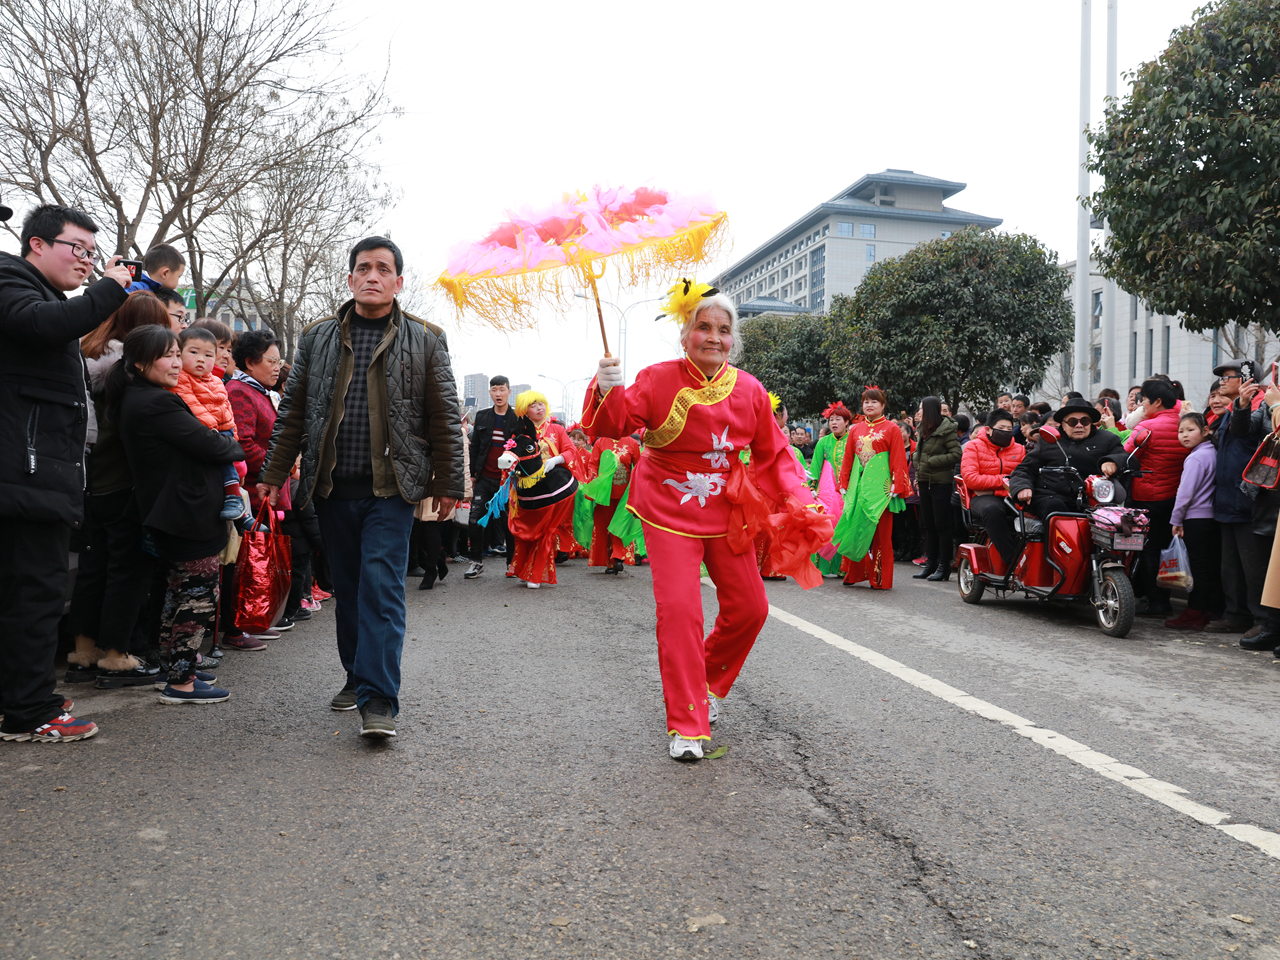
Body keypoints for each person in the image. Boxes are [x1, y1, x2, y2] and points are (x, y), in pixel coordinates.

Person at [580, 279, 828, 761]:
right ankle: (687, 723)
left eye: (724, 330)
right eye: (704, 327)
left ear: (733, 338)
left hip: (728, 509)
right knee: (680, 612)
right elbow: (613, 429)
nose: (714, 337)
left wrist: (801, 500)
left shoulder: (750, 390)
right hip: (668, 507)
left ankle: (707, 684)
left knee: (752, 607)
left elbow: (775, 455)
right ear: (685, 334)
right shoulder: (656, 379)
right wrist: (606, 386)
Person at [260, 236, 464, 739]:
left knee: (381, 589)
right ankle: (356, 675)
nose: (372, 276)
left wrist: (450, 481)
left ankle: (379, 700)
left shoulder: (427, 339)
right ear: (350, 279)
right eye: (363, 268)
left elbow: (443, 415)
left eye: (383, 269)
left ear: (398, 281)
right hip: (331, 489)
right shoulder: (317, 337)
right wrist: (271, 474)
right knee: (348, 590)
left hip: (391, 490)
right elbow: (293, 414)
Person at [0, 204, 133, 742]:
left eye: (92, 253)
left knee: (25, 594)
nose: (86, 261)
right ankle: (31, 711)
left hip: (36, 474)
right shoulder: (11, 280)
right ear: (36, 244)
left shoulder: (41, 294)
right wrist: (109, 290)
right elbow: (43, 324)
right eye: (76, 248)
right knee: (34, 594)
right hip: (24, 475)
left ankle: (21, 700)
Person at [113, 325, 243, 703]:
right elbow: (212, 444)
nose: (175, 363)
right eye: (167, 355)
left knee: (179, 591)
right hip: (185, 512)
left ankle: (178, 669)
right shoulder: (154, 402)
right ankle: (181, 680)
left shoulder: (143, 397)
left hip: (175, 509)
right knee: (197, 593)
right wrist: (230, 443)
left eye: (175, 353)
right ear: (140, 363)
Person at [66, 292, 171, 688]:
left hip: (90, 483)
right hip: (125, 483)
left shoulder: (86, 358)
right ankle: (116, 655)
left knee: (94, 570)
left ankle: (83, 652)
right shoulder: (129, 374)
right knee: (128, 573)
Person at [1122, 378, 1190, 618]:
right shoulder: (1185, 424)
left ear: (1158, 402)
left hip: (1147, 497)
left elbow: (1125, 455)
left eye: (1145, 402)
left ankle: (1157, 601)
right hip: (1175, 498)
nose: (1143, 406)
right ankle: (1164, 599)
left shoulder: (1146, 428)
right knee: (1164, 546)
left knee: (1147, 549)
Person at [834, 387, 911, 590]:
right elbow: (848, 459)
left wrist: (897, 484)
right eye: (866, 401)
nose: (869, 405)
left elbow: (897, 458)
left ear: (883, 405)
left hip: (882, 489)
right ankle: (854, 573)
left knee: (881, 535)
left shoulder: (891, 429)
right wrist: (843, 484)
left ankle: (880, 578)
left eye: (874, 402)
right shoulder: (855, 430)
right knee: (856, 529)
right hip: (859, 487)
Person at [173, 326, 247, 522]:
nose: (201, 359)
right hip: (209, 430)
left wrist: (234, 435)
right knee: (224, 468)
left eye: (208, 355)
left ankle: (240, 511)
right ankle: (237, 505)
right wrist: (213, 428)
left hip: (222, 431)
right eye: (194, 352)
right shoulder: (180, 378)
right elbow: (191, 403)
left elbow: (226, 407)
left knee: (229, 466)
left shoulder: (216, 380)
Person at [1008, 397, 1124, 519]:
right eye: (1073, 422)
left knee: (1113, 523)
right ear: (1063, 425)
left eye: (1084, 421)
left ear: (1091, 423)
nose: (1079, 425)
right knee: (1055, 509)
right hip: (1051, 497)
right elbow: (1026, 468)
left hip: (1093, 499)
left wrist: (1113, 461)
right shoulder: (1050, 439)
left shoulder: (1108, 439)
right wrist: (1023, 486)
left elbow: (1124, 456)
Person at [1165, 412, 1220, 631]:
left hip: (1196, 518)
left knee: (1197, 568)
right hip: (1211, 518)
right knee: (1207, 566)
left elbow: (1185, 494)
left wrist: (1176, 520)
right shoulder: (1212, 452)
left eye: (1190, 430)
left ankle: (1195, 612)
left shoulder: (1196, 458)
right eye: (1181, 431)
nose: (1184, 435)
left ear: (1205, 431)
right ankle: (1207, 609)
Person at [960, 408, 1027, 573]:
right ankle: (1012, 560)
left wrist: (996, 490)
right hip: (981, 499)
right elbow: (972, 479)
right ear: (988, 429)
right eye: (1001, 428)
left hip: (1008, 495)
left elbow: (1023, 477)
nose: (1005, 432)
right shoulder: (973, 447)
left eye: (1009, 430)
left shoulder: (1019, 449)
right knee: (992, 510)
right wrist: (1005, 481)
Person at [465, 376, 517, 579]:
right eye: (494, 389)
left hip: (508, 482)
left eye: (502, 389)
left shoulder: (517, 419)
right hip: (485, 478)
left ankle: (511, 563)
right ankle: (476, 561)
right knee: (475, 519)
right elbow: (475, 447)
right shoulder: (483, 416)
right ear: (490, 393)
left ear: (508, 392)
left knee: (508, 523)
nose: (498, 393)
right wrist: (471, 475)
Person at [912, 396, 962, 582]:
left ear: (930, 410)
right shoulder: (922, 429)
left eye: (921, 408)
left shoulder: (946, 430)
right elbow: (919, 454)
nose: (918, 412)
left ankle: (944, 566)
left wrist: (931, 461)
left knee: (942, 526)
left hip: (941, 483)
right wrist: (918, 475)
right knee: (929, 525)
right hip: (924, 482)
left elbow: (956, 454)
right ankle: (931, 563)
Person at [807, 402, 854, 577]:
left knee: (843, 527)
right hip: (826, 495)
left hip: (847, 493)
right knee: (824, 527)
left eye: (838, 419)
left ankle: (843, 568)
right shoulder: (823, 442)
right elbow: (815, 468)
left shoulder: (853, 440)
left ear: (847, 422)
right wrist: (811, 488)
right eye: (831, 420)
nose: (834, 423)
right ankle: (821, 567)